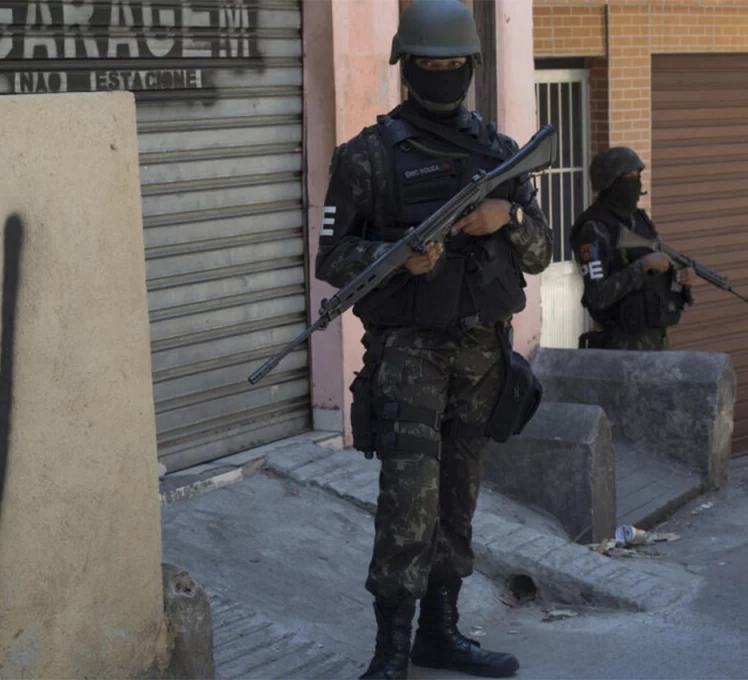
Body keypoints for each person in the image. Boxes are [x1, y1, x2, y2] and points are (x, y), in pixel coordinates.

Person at [314, 0, 552, 678]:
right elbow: (331, 258)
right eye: (427, 64)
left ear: (471, 67)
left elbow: (539, 252)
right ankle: (390, 651)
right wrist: (396, 258)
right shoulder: (366, 157)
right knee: (407, 507)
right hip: (409, 362)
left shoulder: (501, 154)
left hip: (481, 362)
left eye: (452, 65)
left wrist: (506, 217)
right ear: (406, 67)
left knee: (457, 503)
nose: (440, 74)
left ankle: (440, 635)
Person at [570, 146, 694, 350]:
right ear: (610, 182)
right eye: (628, 177)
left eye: (637, 176)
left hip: (657, 341)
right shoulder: (594, 229)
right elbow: (597, 296)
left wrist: (681, 275)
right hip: (620, 349)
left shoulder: (639, 220)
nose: (635, 183)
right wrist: (642, 266)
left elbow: (660, 263)